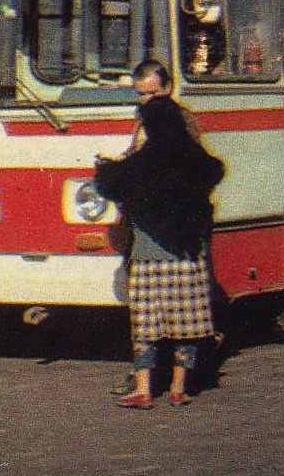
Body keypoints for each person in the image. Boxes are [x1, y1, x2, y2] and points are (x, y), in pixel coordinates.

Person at [94, 60, 223, 409]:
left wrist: (116, 171)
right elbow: (209, 170)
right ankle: (179, 386)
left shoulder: (178, 121)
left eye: (151, 93)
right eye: (141, 94)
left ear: (167, 87)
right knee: (187, 314)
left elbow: (124, 177)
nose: (146, 100)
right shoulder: (153, 122)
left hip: (153, 236)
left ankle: (145, 386)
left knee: (148, 315)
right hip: (187, 237)